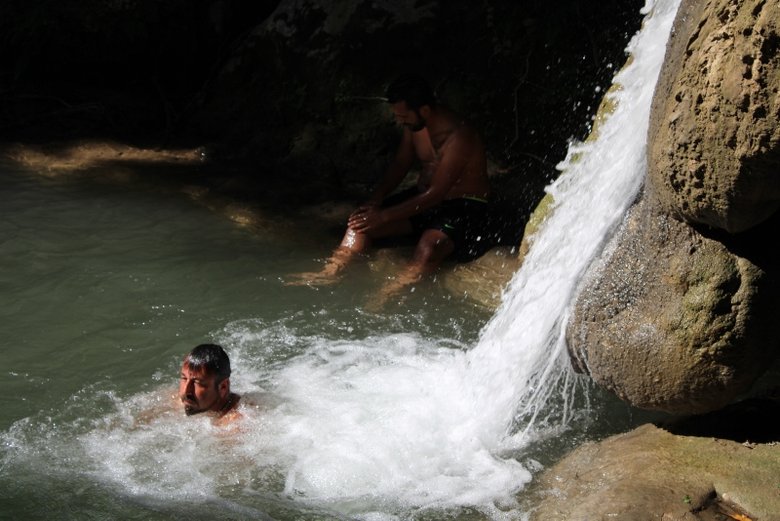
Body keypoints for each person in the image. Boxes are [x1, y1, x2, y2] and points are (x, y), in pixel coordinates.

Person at [289, 73, 491, 305]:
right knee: (360, 223)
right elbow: (401, 163)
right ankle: (331, 273)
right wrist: (376, 201)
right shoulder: (414, 124)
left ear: (424, 110)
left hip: (463, 204)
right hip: (423, 201)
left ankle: (390, 294)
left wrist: (384, 215)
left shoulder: (459, 137)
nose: (400, 120)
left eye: (403, 115)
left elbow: (437, 194)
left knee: (428, 247)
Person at [179, 343, 241, 422]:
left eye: (197, 383)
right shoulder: (180, 401)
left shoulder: (237, 423)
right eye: (184, 378)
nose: (186, 391)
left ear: (223, 387)